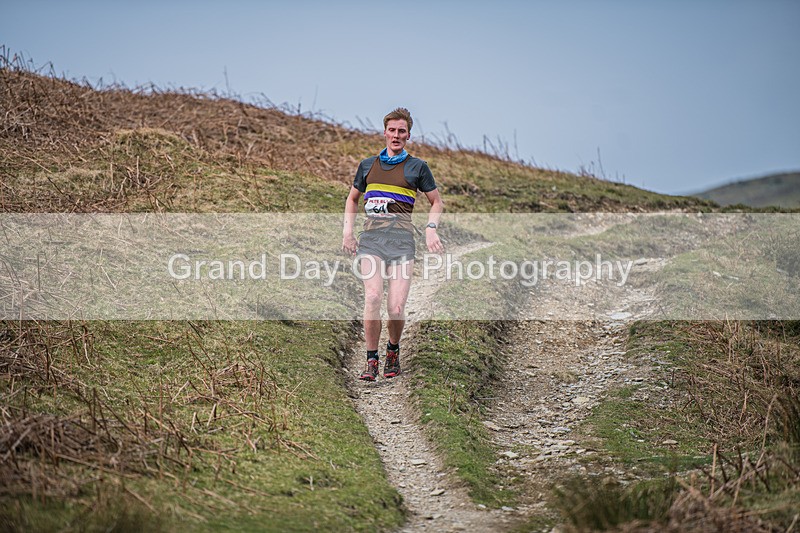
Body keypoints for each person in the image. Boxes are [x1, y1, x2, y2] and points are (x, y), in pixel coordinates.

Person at [342, 107, 444, 381]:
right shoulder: (367, 165)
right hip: (372, 241)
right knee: (373, 297)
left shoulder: (417, 167)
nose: (396, 135)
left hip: (402, 243)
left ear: (408, 135)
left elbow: (436, 202)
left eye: (402, 131)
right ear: (385, 132)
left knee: (396, 308)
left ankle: (393, 351)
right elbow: (352, 199)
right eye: (392, 130)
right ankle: (371, 360)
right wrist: (347, 233)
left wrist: (431, 229)